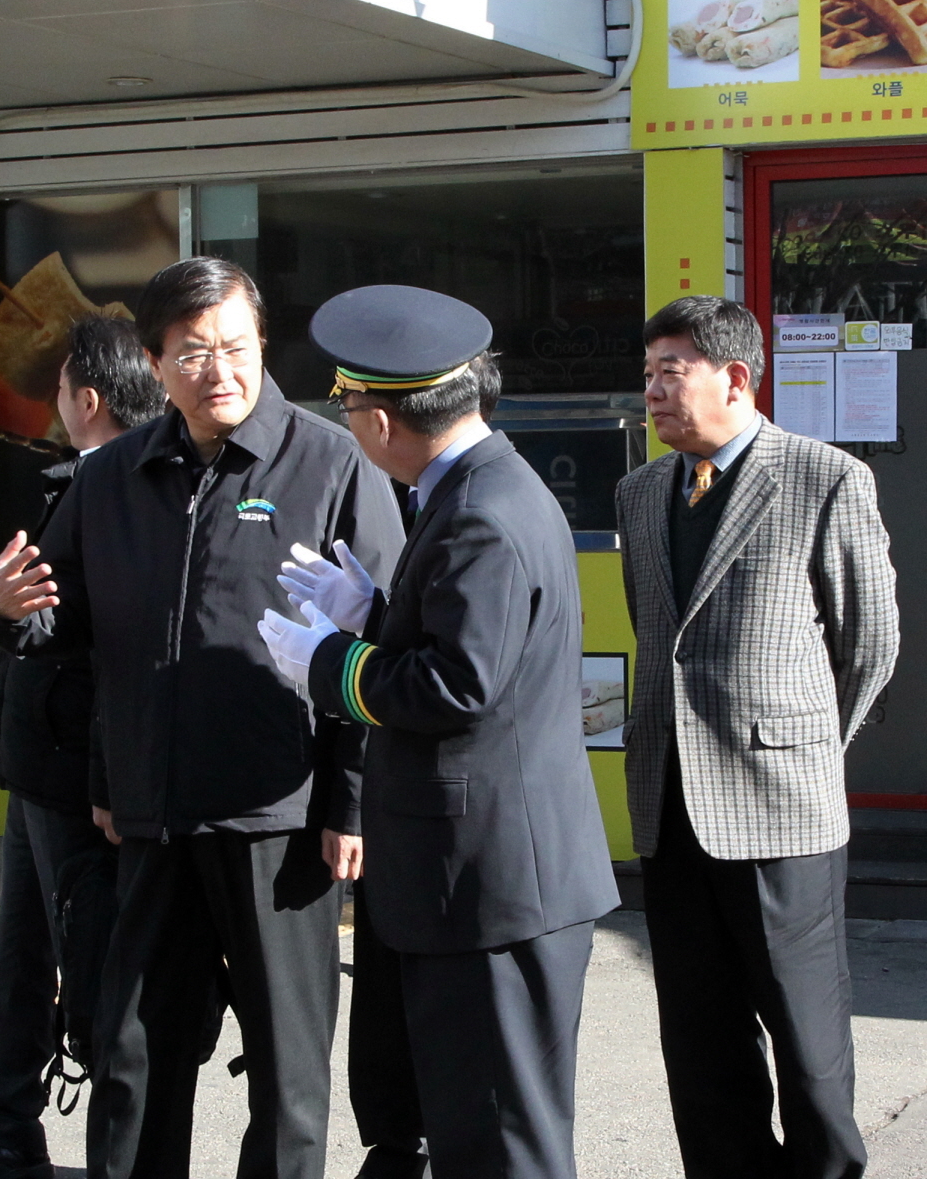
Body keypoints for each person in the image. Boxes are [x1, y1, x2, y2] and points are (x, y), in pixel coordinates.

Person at [0, 257, 404, 1179]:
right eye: (195, 353)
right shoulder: (115, 475)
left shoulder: (331, 463)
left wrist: (350, 803)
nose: (221, 371)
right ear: (156, 360)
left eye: (237, 348)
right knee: (130, 1049)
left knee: (287, 1071)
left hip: (279, 819)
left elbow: (380, 645)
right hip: (150, 818)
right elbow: (65, 627)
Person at [261, 283, 619, 1179]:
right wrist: (374, 614)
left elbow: (457, 684)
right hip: (485, 876)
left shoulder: (479, 513)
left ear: (381, 421)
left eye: (347, 407)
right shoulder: (473, 486)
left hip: (492, 884)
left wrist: (331, 664)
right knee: (477, 1130)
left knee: (501, 1144)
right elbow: (468, 641)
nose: (347, 425)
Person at [615, 295, 899, 1179]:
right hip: (670, 811)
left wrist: (800, 748)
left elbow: (871, 643)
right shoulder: (640, 491)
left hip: (783, 817)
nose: (654, 389)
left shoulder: (825, 478)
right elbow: (654, 630)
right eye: (650, 370)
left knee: (809, 1051)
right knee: (702, 1051)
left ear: (736, 378)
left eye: (674, 370)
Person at [0, 317, 166, 1179]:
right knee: (29, 948)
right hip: (40, 760)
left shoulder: (114, 489)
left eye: (60, 386)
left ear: (89, 398)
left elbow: (51, 621)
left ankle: (26, 1129)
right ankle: (6, 1125)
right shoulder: (90, 482)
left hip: (79, 771)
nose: (50, 404)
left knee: (74, 956)